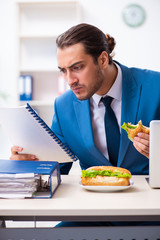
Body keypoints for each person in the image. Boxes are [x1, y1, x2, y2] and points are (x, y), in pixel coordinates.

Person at [10, 23, 160, 226]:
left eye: (77, 67)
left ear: (103, 59)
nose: (69, 80)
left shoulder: (154, 87)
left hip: (150, 214)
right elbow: (55, 168)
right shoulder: (64, 107)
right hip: (92, 214)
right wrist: (28, 165)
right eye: (63, 71)